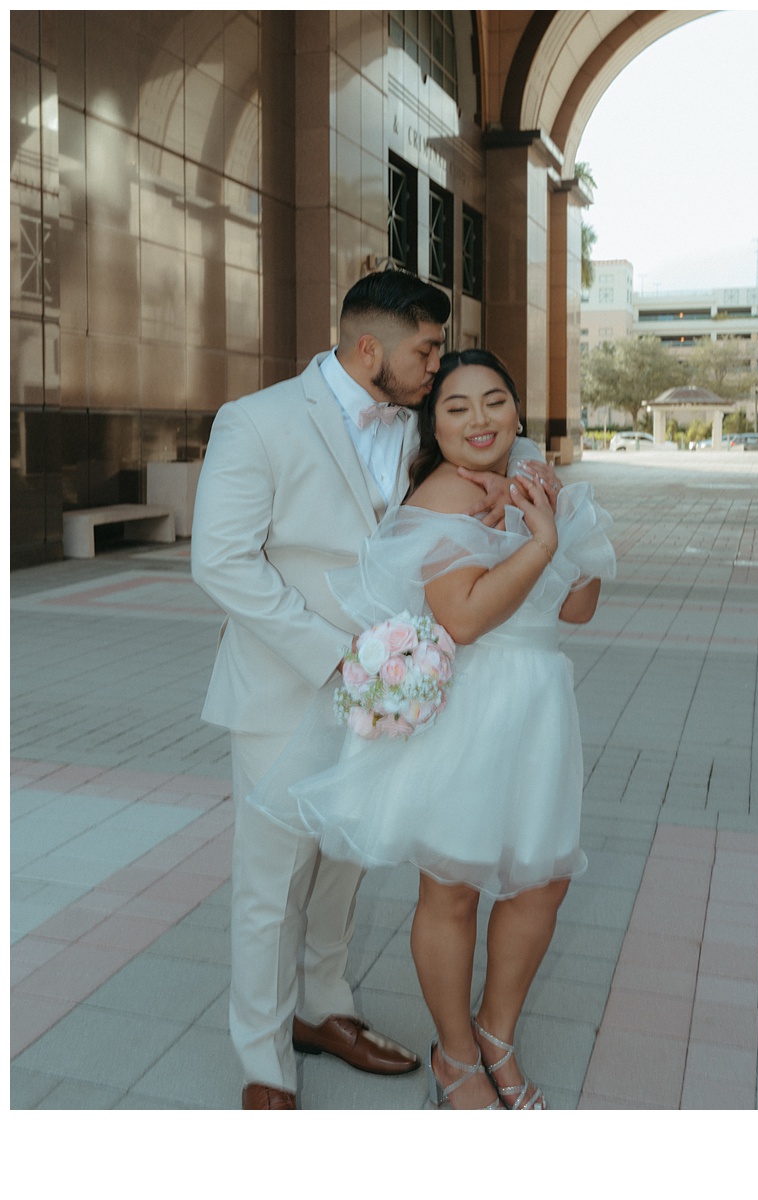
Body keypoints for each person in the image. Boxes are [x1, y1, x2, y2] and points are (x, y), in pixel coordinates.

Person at [191, 275, 558, 1109]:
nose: (436, 366)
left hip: (395, 691)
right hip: (289, 685)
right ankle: (262, 1062)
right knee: (270, 880)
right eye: (426, 350)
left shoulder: (414, 428)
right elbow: (220, 562)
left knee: (344, 863)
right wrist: (333, 656)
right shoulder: (258, 421)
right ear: (369, 351)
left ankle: (323, 1009)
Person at [248, 348, 616, 1109]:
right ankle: (453, 1058)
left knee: (540, 884)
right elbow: (464, 616)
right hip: (474, 710)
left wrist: (555, 517)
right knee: (452, 889)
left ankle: (496, 1034)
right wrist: (538, 544)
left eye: (493, 402)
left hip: (540, 706)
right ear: (434, 426)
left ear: (517, 411)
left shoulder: (532, 482)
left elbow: (577, 609)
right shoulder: (442, 499)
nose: (479, 419)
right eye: (456, 407)